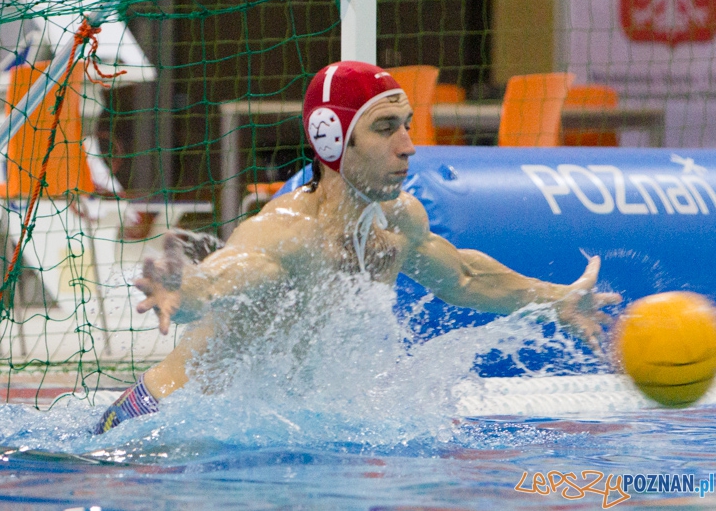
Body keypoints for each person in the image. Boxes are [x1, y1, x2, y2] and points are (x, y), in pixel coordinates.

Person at [94, 61, 621, 434]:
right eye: (386, 128)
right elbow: (226, 276)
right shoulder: (286, 232)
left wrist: (557, 298)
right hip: (158, 429)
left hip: (249, 435)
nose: (409, 145)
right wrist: (185, 290)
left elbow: (463, 277)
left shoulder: (397, 222)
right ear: (330, 139)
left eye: (407, 126)